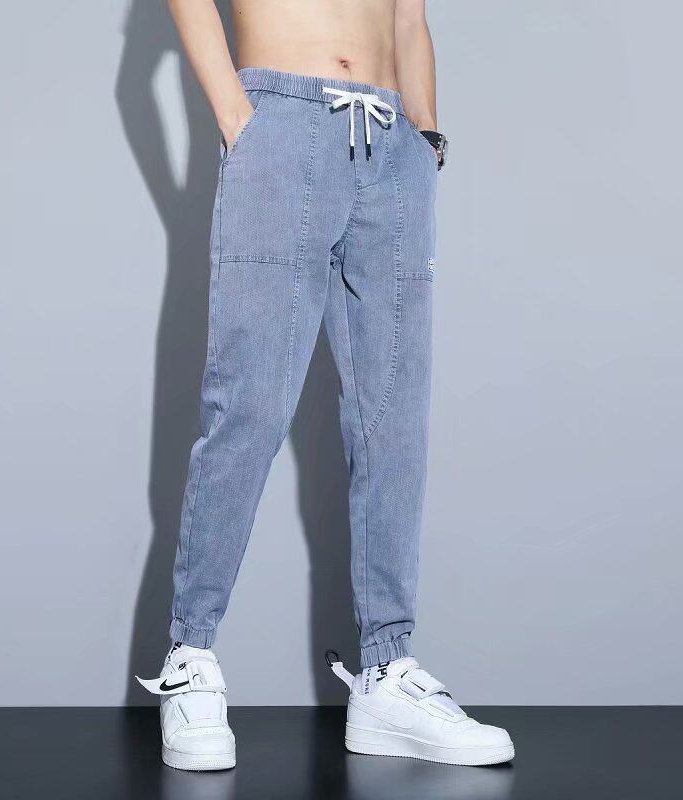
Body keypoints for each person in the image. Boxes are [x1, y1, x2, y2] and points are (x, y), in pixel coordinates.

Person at [136, 0, 513, 770]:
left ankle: (386, 673)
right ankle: (191, 658)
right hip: (281, 122)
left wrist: (425, 136)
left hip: (392, 141)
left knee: (393, 420)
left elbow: (408, 18)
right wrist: (239, 119)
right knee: (249, 406)